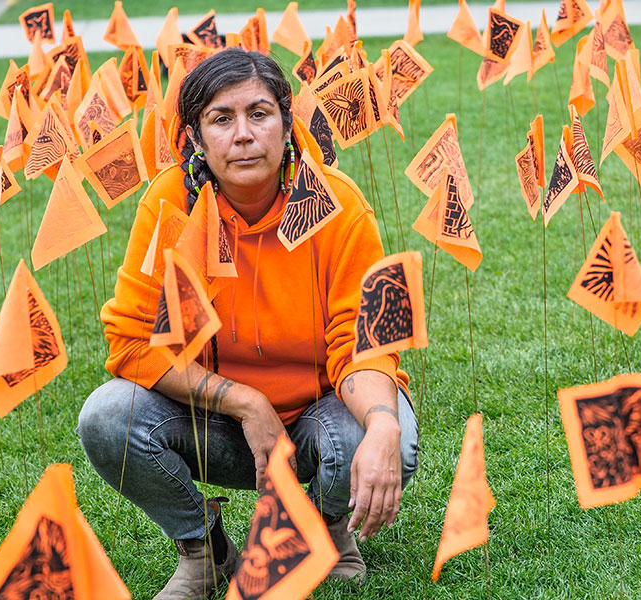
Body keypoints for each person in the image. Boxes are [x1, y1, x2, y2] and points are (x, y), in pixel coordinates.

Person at [77, 47, 420, 600]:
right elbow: (131, 345)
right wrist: (245, 403)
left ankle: (325, 530)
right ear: (195, 138)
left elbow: (363, 344)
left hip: (317, 419)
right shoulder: (170, 203)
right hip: (217, 424)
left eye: (259, 114)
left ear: (286, 123)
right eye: (221, 118)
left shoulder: (339, 204)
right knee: (106, 416)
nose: (243, 135)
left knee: (390, 438)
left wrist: (382, 421)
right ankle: (204, 550)